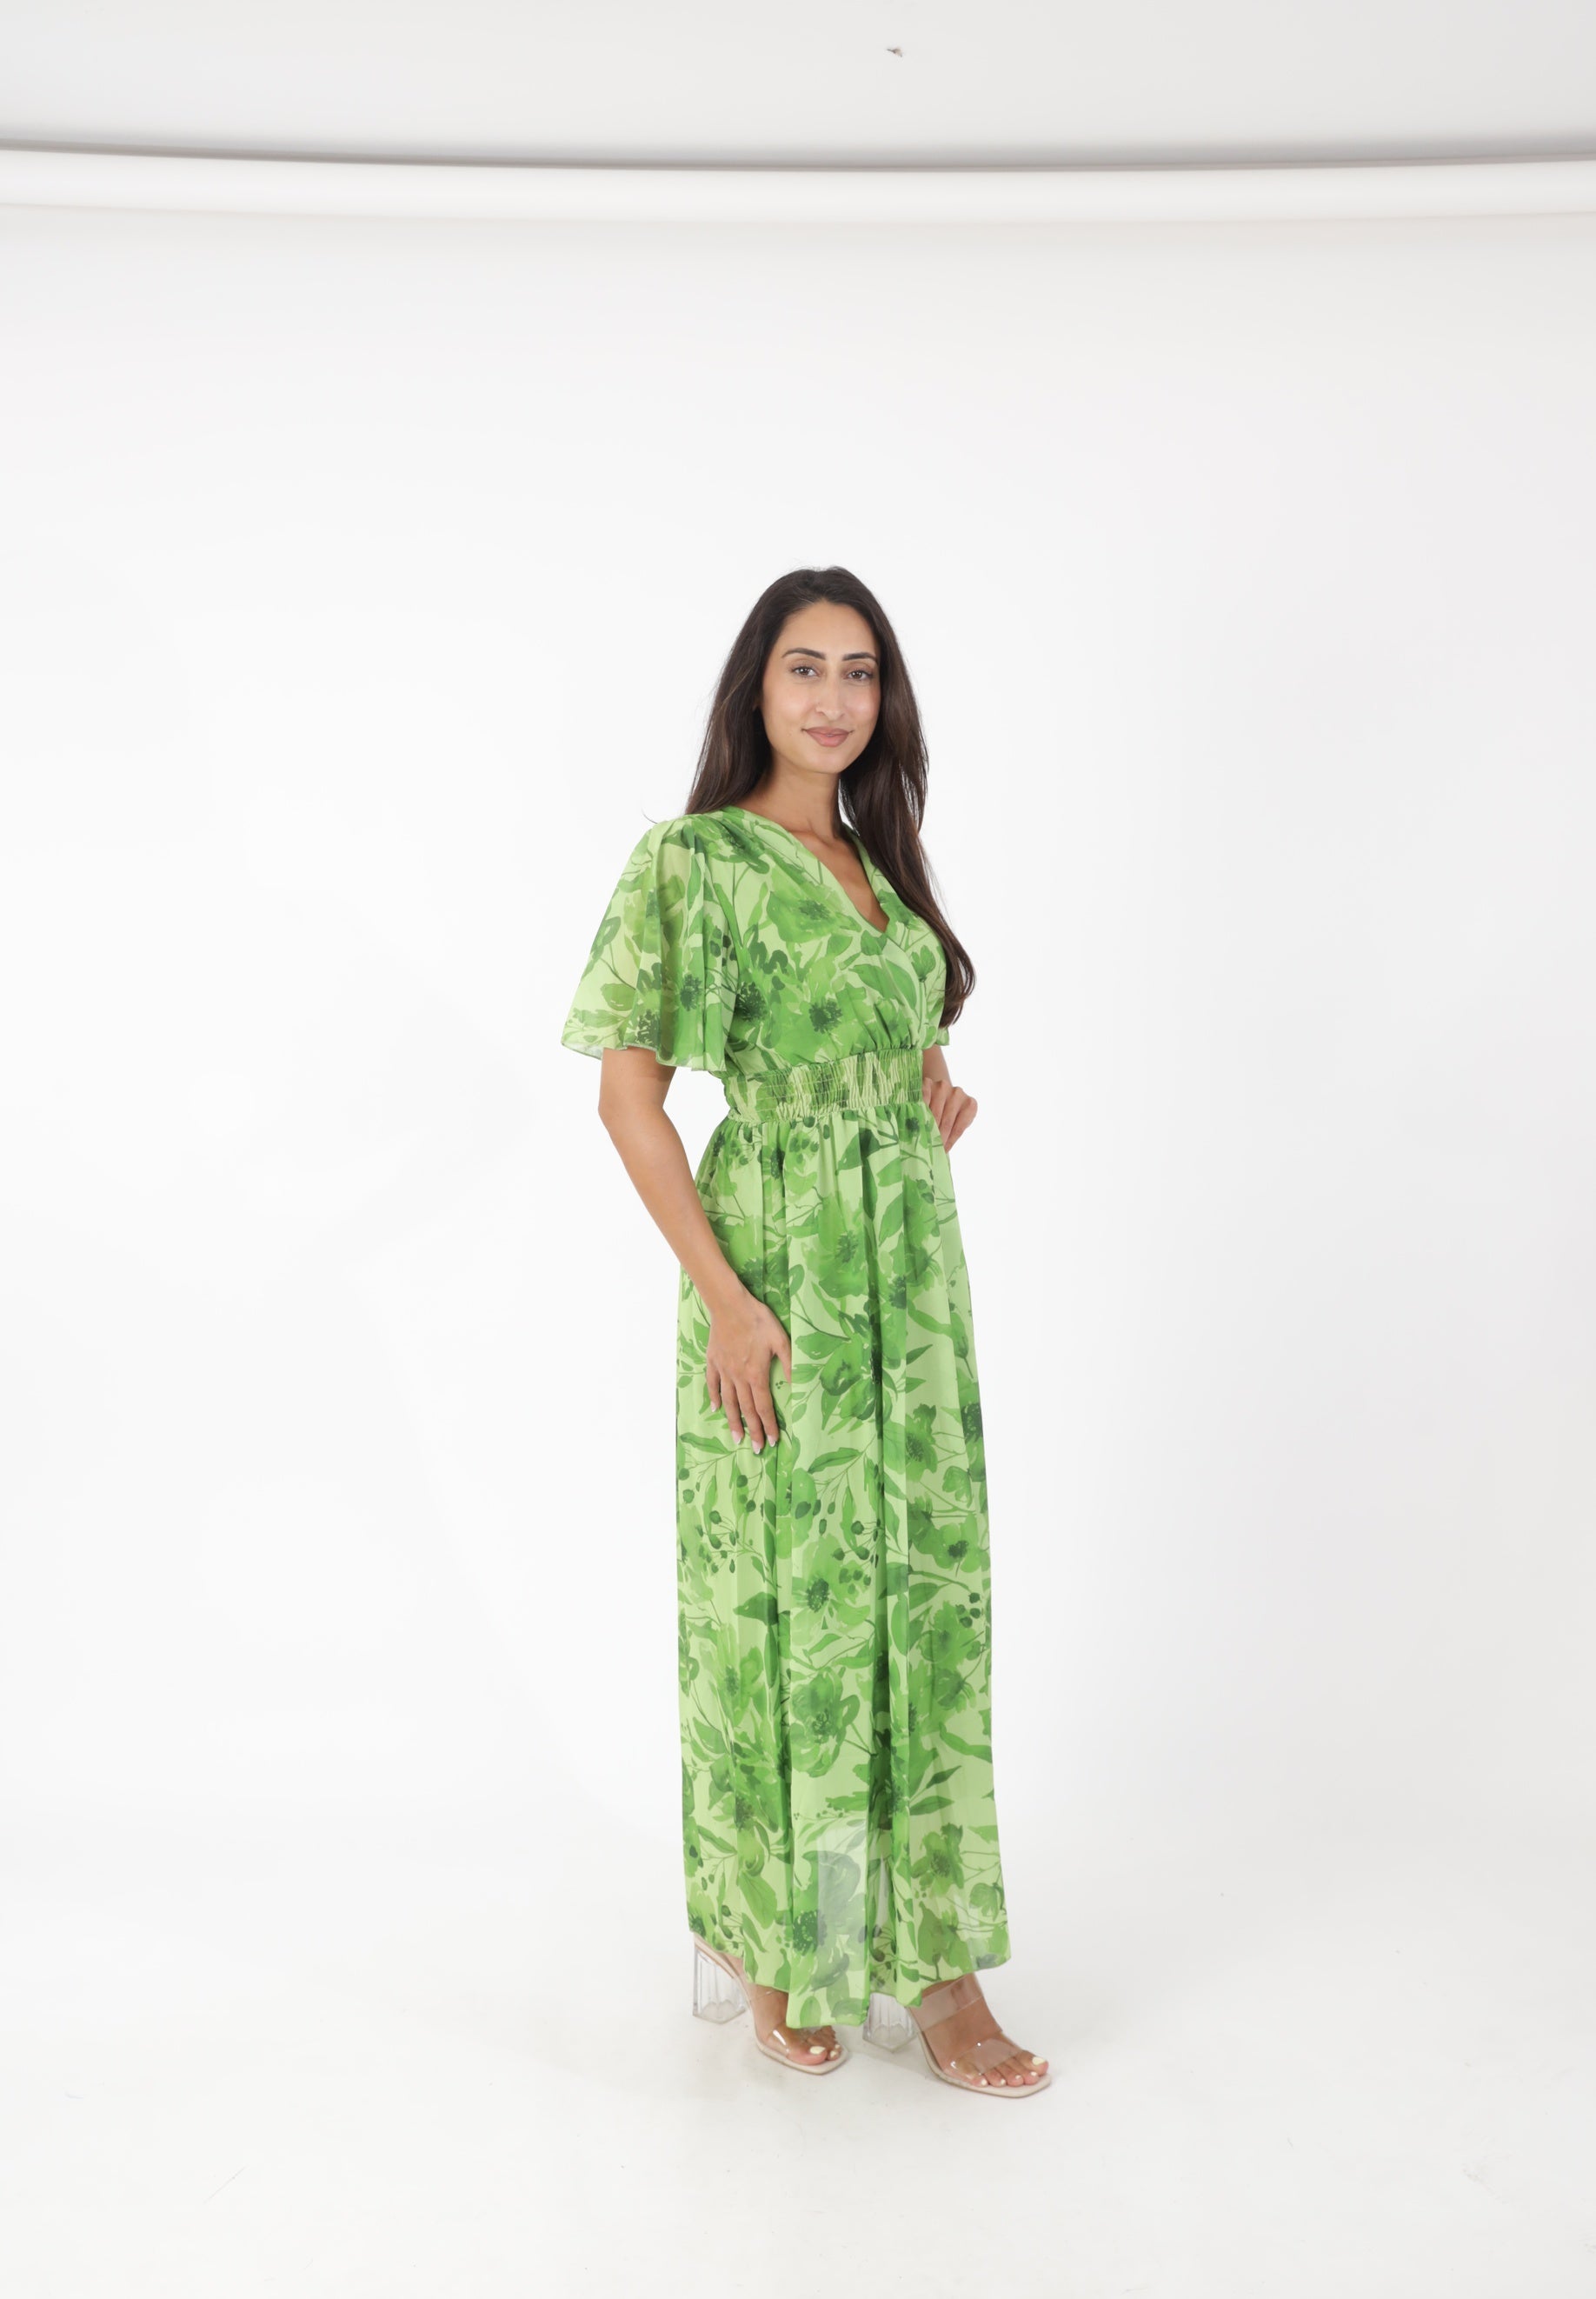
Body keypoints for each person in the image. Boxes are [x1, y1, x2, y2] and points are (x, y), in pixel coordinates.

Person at [559, 567, 1048, 2097]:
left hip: (912, 1288)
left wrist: (925, 1095)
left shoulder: (881, 864)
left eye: (860, 672)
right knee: (796, 1615)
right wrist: (728, 1298)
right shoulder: (695, 860)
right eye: (804, 668)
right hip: (776, 1278)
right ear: (754, 691)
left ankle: (937, 1962)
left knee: (924, 1601)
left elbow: (896, 1051)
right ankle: (793, 1941)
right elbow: (628, 1096)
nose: (835, 699)